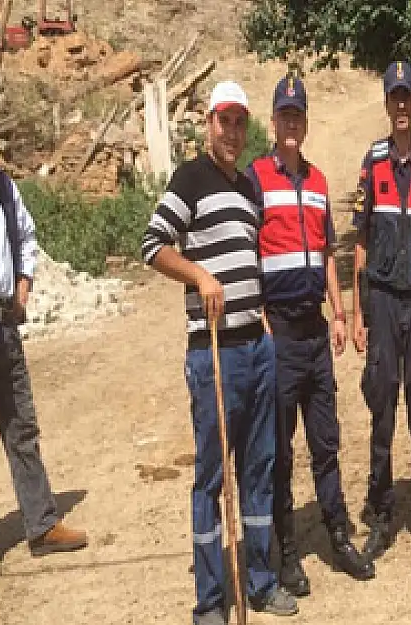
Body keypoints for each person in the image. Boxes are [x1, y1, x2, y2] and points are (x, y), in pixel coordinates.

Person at [141, 80, 298, 625]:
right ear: (207, 123)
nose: (232, 132)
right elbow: (152, 244)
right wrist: (198, 274)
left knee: (259, 468)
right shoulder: (189, 178)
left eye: (239, 123)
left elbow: (250, 259)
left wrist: (262, 320)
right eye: (223, 121)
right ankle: (210, 599)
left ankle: (259, 581)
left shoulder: (250, 187)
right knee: (213, 476)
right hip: (214, 355)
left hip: (256, 348)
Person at [244, 75, 374, 597]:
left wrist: (339, 313)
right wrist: (257, 315)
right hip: (278, 332)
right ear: (273, 122)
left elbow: (324, 255)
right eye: (284, 115)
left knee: (327, 443)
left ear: (304, 121)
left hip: (317, 332)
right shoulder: (254, 178)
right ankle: (288, 553)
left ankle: (339, 536)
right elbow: (246, 249)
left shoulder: (319, 183)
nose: (292, 123)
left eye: (298, 114)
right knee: (279, 449)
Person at [0, 91, 88, 581]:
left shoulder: (5, 186)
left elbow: (26, 238)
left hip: (6, 326)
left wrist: (24, 286)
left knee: (21, 428)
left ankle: (41, 523)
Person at [351, 60, 411, 562]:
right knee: (382, 407)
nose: (402, 105)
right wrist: (355, 310)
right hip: (385, 302)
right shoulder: (372, 162)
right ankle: (383, 512)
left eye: (408, 96)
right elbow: (361, 240)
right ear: (387, 104)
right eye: (394, 98)